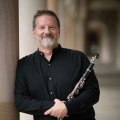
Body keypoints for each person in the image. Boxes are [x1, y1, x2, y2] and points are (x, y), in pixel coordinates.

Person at [14, 9, 100, 120]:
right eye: (41, 27)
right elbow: (21, 101)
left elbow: (93, 93)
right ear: (34, 32)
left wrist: (68, 107)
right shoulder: (24, 64)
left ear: (59, 31)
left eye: (52, 27)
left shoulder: (78, 58)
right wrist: (55, 107)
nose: (47, 31)